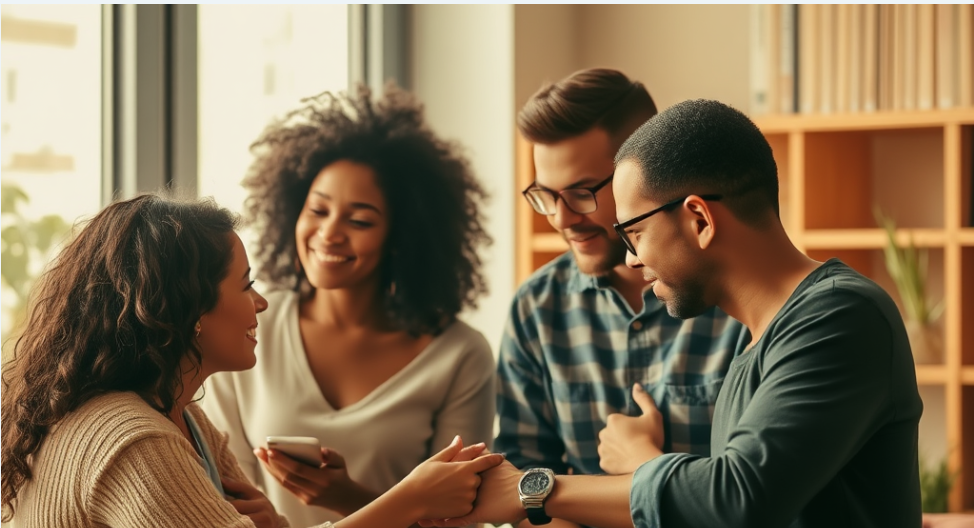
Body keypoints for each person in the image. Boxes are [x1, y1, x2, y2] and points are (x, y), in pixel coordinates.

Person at [422, 99, 923, 528]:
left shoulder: (839, 316)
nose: (633, 259)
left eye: (634, 234)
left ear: (699, 218)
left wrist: (542, 488)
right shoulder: (759, 339)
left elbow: (736, 498)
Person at [0, 194, 503, 528]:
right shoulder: (135, 440)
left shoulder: (186, 418)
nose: (261, 303)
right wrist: (408, 499)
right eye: (245, 285)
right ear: (188, 308)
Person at [201, 84, 497, 527]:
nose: (330, 234)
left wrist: (348, 497)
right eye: (317, 210)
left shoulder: (459, 356)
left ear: (402, 238)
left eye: (359, 220)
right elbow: (225, 502)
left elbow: (460, 519)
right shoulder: (245, 322)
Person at [497, 68, 747, 527]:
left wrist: (642, 465)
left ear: (641, 173)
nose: (561, 219)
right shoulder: (536, 309)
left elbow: (750, 498)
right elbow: (520, 486)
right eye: (544, 196)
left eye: (580, 193)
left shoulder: (738, 301)